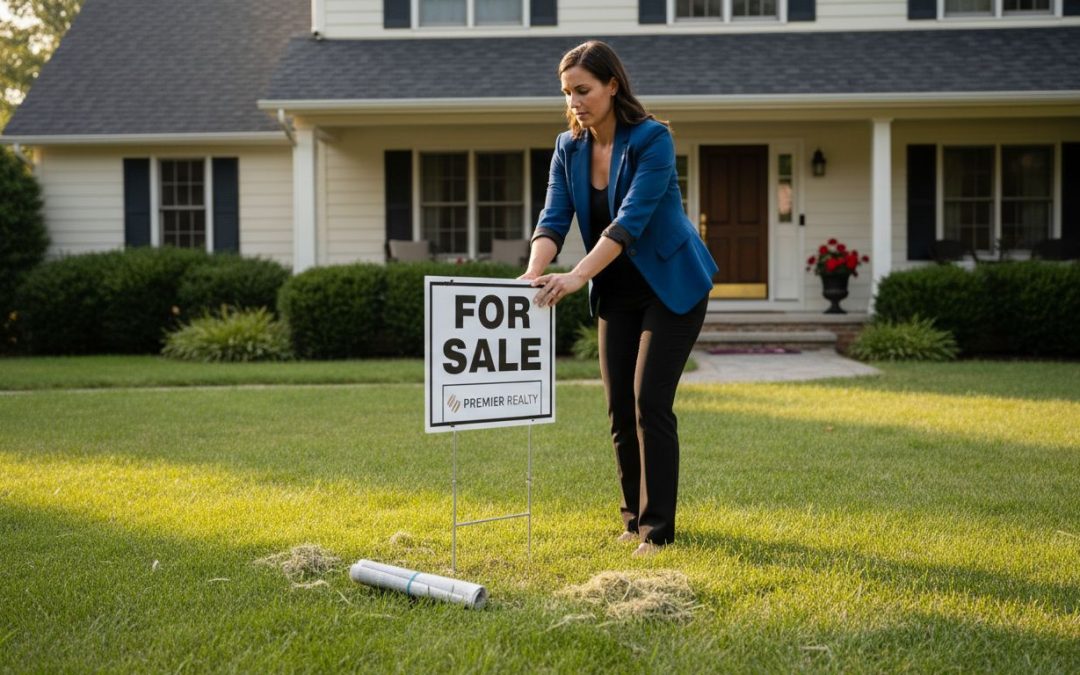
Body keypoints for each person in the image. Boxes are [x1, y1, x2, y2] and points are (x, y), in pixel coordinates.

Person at [520, 41, 718, 557]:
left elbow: (629, 221)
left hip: (671, 286)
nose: (574, 102)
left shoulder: (652, 139)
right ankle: (631, 521)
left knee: (649, 400)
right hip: (618, 291)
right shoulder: (568, 148)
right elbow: (553, 218)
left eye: (583, 90)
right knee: (617, 408)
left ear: (612, 85)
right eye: (567, 93)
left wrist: (576, 276)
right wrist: (534, 271)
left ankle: (657, 532)